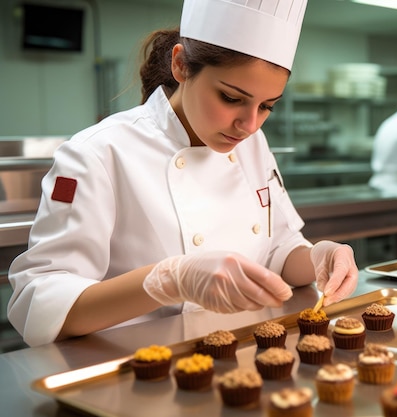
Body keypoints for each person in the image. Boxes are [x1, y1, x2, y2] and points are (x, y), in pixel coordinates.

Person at [7, 0, 359, 347]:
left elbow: (279, 252)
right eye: (231, 97)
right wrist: (168, 281)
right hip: (134, 372)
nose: (249, 125)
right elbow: (39, 305)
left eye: (266, 106)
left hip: (242, 355)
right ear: (180, 65)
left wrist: (319, 257)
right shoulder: (99, 152)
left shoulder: (252, 144)